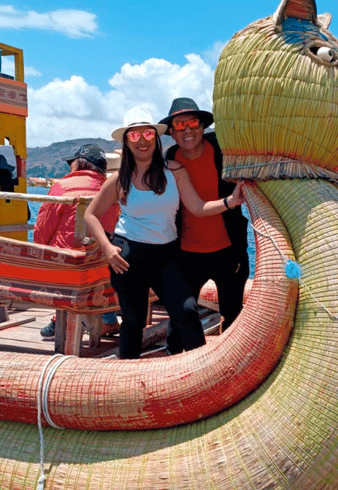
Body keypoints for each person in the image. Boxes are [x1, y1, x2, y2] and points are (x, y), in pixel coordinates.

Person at [84, 106, 245, 359]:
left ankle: (199, 370)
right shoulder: (119, 179)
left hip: (167, 256)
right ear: (127, 141)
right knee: (133, 323)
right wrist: (106, 247)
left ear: (156, 137)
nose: (142, 141)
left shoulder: (174, 170)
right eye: (134, 136)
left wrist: (230, 202)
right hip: (129, 257)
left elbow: (197, 207)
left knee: (187, 312)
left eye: (147, 134)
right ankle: (128, 379)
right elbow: (90, 215)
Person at [159, 98, 250, 352]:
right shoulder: (170, 159)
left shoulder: (223, 149)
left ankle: (232, 371)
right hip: (187, 253)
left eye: (193, 123)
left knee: (233, 315)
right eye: (180, 125)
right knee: (181, 317)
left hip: (229, 251)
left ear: (202, 126)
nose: (187, 130)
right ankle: (172, 368)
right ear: (172, 132)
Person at [33, 144, 121, 340]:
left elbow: (42, 230)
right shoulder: (111, 189)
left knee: (62, 256)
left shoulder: (62, 187)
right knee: (103, 265)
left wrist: (43, 251)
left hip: (66, 269)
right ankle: (107, 318)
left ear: (79, 164)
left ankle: (61, 320)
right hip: (100, 271)